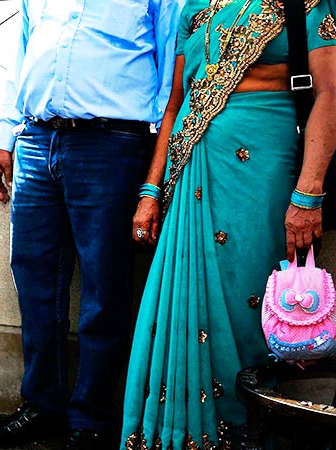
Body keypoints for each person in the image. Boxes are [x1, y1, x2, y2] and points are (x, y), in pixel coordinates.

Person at [121, 0, 336, 447]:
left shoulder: (304, 3)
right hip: (193, 171)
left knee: (250, 300)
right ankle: (184, 434)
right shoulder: (194, 9)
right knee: (184, 299)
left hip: (263, 171)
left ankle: (250, 430)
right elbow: (176, 103)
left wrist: (309, 192)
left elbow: (330, 93)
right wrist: (150, 189)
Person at [0, 1, 185, 449]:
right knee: (34, 283)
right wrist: (3, 139)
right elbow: (21, 62)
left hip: (113, 143)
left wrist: (155, 173)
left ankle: (92, 420)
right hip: (35, 140)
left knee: (104, 288)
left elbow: (172, 76)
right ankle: (42, 407)